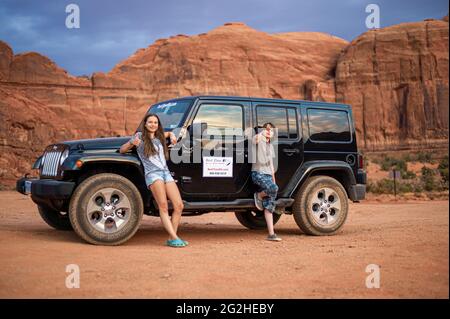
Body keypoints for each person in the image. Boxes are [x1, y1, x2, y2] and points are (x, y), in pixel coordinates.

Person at [120, 113, 188, 248]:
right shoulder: (139, 137)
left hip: (166, 173)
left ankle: (171, 238)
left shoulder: (159, 136)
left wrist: (173, 135)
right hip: (153, 174)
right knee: (163, 206)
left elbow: (168, 133)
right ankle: (175, 238)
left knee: (179, 205)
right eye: (150, 122)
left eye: (155, 122)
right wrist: (130, 143)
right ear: (145, 124)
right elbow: (122, 150)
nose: (153, 125)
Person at [251, 122, 282, 241]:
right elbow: (255, 139)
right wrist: (262, 132)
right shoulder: (259, 140)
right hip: (258, 174)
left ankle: (271, 234)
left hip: (268, 176)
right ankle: (259, 195)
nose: (269, 131)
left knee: (270, 205)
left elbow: (271, 165)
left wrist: (274, 181)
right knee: (273, 189)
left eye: (271, 130)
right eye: (266, 129)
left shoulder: (270, 146)